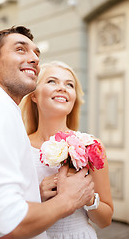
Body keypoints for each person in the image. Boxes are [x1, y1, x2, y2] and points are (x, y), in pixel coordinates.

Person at [0, 27, 94, 239]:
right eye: (20, 49)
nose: (34, 59)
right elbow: (6, 222)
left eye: (37, 53)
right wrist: (68, 200)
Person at [20, 61, 114, 239]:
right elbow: (4, 211)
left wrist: (87, 197)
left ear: (73, 98)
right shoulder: (18, 145)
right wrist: (36, 195)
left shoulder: (91, 146)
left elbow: (105, 220)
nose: (62, 88)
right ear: (34, 95)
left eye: (69, 84)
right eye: (52, 82)